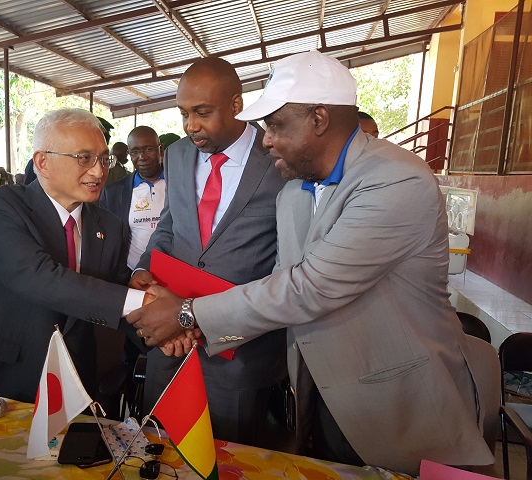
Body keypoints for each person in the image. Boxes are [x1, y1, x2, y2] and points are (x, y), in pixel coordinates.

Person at [126, 51, 494, 475]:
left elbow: (310, 286)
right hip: (317, 394)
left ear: (319, 118)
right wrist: (188, 321)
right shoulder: (296, 192)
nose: (265, 139)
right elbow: (281, 281)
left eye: (277, 125)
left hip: (396, 403)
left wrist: (188, 315)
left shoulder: (395, 179)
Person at [0, 108, 146, 404]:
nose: (98, 171)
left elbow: (113, 290)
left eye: (104, 159)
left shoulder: (109, 225)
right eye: (84, 158)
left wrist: (166, 326)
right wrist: (147, 304)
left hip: (75, 382)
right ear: (43, 161)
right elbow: (40, 278)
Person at [129, 57, 288, 447]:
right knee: (157, 450)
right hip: (169, 341)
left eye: (202, 112)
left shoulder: (278, 160)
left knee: (229, 458)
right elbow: (169, 224)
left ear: (236, 104)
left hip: (238, 350)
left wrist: (204, 320)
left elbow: (285, 260)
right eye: (183, 113)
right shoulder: (180, 155)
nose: (190, 126)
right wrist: (144, 271)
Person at [100, 127, 165, 271]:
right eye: (135, 152)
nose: (142, 157)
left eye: (149, 149)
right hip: (132, 275)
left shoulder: (180, 184)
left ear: (160, 150)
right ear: (129, 154)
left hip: (174, 271)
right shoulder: (113, 194)